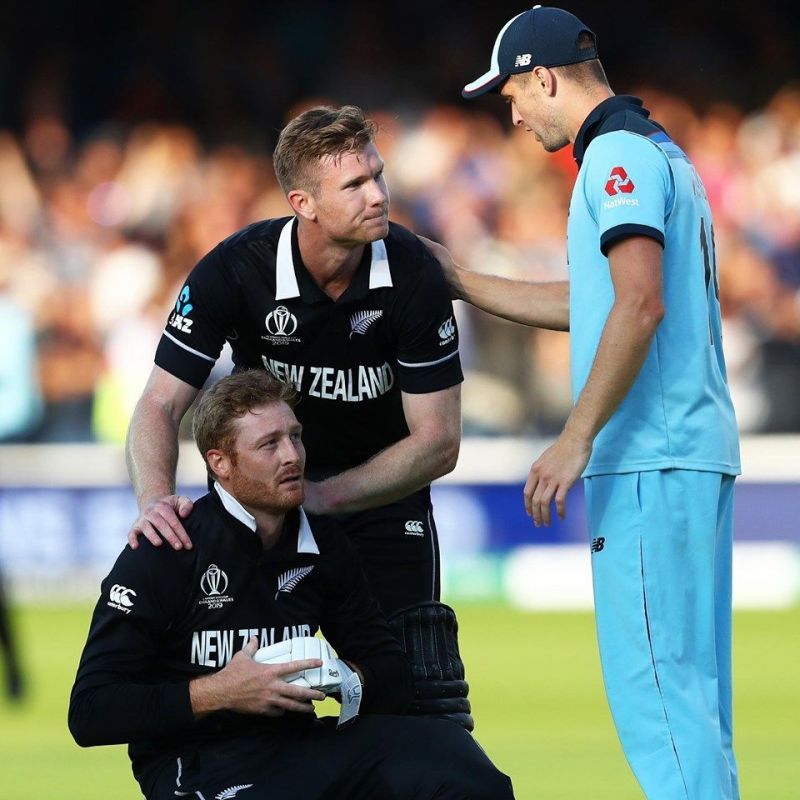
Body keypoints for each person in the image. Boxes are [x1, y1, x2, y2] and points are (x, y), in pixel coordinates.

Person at [425, 6, 741, 800]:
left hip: (647, 460)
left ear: (545, 76)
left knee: (663, 716)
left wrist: (575, 437)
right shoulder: (663, 153)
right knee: (696, 716)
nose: (513, 113)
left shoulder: (612, 160)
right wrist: (461, 279)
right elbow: (602, 301)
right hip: (691, 456)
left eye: (511, 95)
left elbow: (637, 307)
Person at [125, 105, 471, 727]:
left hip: (381, 503)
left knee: (415, 710)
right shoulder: (234, 269)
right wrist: (155, 501)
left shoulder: (416, 271)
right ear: (302, 203)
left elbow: (438, 443)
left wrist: (323, 497)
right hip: (260, 512)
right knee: (241, 704)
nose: (378, 196)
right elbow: (158, 404)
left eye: (378, 175)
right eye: (355, 185)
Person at [69, 371, 513, 800]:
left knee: (460, 766)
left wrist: (344, 679)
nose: (293, 457)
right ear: (220, 463)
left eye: (295, 436)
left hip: (299, 745)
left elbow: (387, 667)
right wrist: (220, 692)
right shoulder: (167, 547)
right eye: (269, 444)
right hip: (197, 762)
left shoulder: (322, 540)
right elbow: (90, 712)